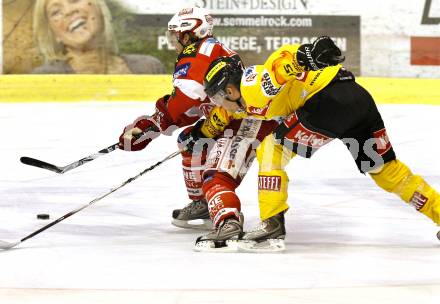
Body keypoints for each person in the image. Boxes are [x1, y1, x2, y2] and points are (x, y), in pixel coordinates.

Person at [192, 37, 440, 252]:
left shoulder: (252, 84)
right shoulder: (242, 100)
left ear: (231, 89)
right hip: (356, 99)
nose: (217, 103)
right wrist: (199, 134)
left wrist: (304, 55)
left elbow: (280, 67)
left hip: (328, 103)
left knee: (271, 149)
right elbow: (226, 115)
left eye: (217, 96)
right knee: (386, 170)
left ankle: (272, 223)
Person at [118, 7, 244, 229]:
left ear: (189, 34)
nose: (174, 41)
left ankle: (225, 215)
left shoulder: (196, 54)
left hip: (238, 123)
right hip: (229, 118)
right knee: (191, 140)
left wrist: (152, 125)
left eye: (176, 35)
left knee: (216, 176)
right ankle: (203, 203)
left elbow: (183, 102)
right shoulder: (211, 49)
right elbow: (195, 106)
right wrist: (156, 124)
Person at [32, 0, 165, 74]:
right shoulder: (44, 77)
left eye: (75, 0)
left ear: (99, 9)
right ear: (53, 34)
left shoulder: (149, 68)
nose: (69, 11)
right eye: (56, 12)